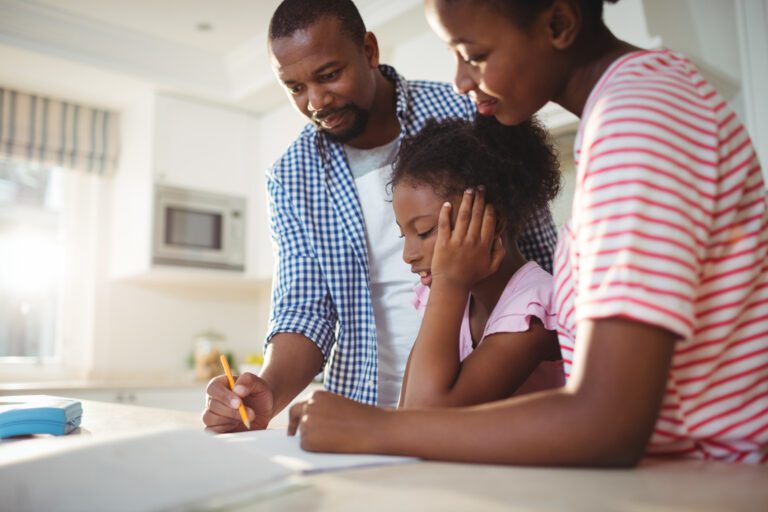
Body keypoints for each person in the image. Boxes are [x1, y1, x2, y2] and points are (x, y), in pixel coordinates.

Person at [287, 0, 768, 465]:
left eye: (474, 55)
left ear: (558, 22)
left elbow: (608, 422)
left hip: (719, 479)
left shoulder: (639, 120)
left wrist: (374, 429)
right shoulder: (632, 109)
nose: (460, 81)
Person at [201, 0, 557, 433]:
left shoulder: (470, 112)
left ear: (369, 50)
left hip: (479, 405)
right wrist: (269, 391)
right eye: (294, 87)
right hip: (366, 410)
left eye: (329, 75)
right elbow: (303, 309)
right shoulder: (292, 175)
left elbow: (542, 256)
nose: (316, 101)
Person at [391, 117, 564, 408]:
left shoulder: (536, 309)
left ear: (492, 222)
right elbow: (406, 408)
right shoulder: (451, 300)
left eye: (424, 231)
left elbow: (423, 417)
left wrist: (449, 283)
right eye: (403, 234)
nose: (408, 255)